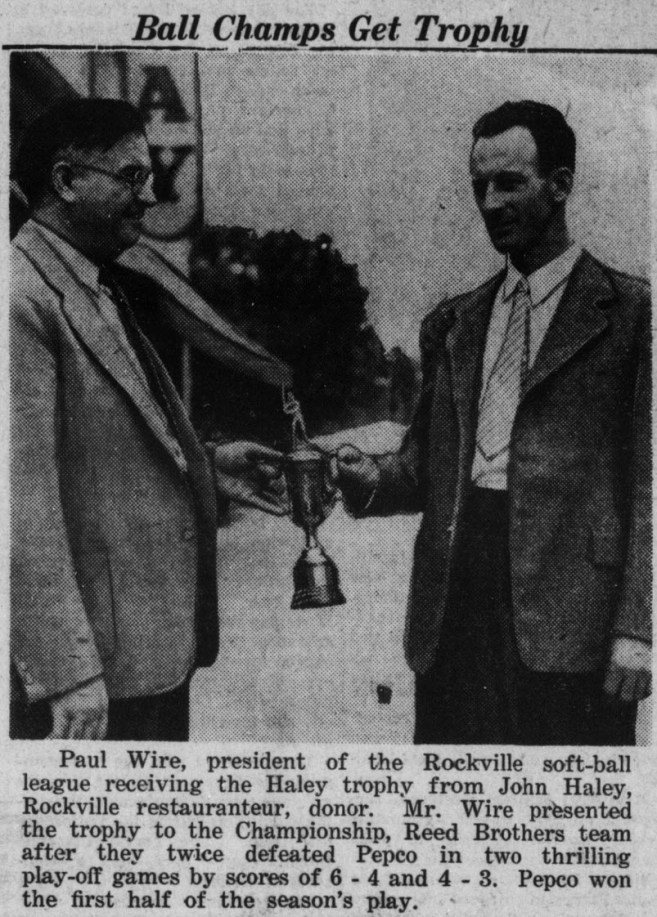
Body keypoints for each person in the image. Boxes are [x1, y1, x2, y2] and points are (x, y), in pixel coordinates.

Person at [333, 101, 651, 745]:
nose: (490, 203)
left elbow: (652, 484)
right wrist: (366, 475)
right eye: (480, 186)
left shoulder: (632, 315)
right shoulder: (454, 323)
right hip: (453, 609)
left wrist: (639, 626)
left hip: (574, 623)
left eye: (510, 183)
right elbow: (422, 468)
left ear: (560, 184)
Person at [11, 98, 285, 741]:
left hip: (145, 662)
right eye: (131, 177)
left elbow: (99, 452)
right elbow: (19, 505)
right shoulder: (20, 298)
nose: (151, 197)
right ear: (66, 181)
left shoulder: (93, 284)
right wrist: (66, 673)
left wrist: (208, 468)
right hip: (91, 683)